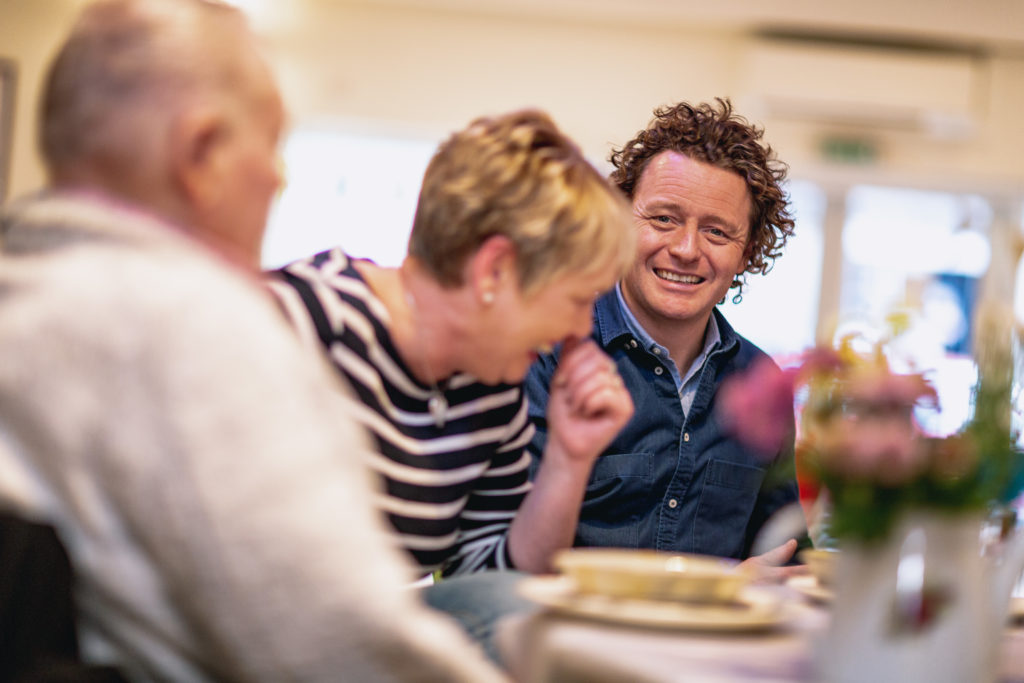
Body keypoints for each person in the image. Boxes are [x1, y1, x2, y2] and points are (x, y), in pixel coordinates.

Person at [0, 0, 507, 680]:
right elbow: (341, 642)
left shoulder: (27, 290)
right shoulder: (196, 325)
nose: (279, 177)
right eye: (270, 143)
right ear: (201, 152)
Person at [267, 111, 635, 578]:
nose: (581, 329)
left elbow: (496, 584)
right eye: (579, 299)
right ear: (493, 270)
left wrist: (569, 459)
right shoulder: (303, 321)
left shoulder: (492, 383)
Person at [525, 99, 804, 572]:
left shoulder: (761, 383)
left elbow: (785, 552)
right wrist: (719, 596)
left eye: (717, 232)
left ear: (748, 251)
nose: (686, 249)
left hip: (716, 646)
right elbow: (502, 561)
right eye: (663, 219)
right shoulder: (545, 353)